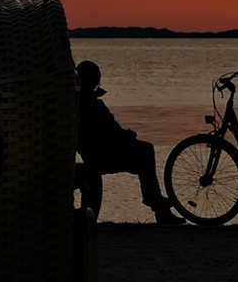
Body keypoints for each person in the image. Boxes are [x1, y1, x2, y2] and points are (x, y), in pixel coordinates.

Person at [75, 60, 182, 224]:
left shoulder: (81, 102)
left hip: (98, 153)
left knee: (143, 152)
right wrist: (128, 136)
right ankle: (156, 204)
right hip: (101, 156)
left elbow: (109, 131)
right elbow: (112, 131)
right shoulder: (91, 104)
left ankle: (157, 204)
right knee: (145, 151)